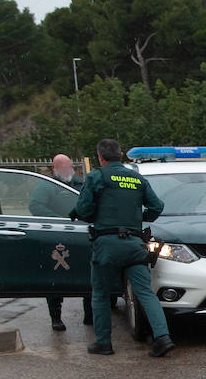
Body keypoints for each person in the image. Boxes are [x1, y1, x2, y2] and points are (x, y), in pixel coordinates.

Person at [71, 139, 175, 357]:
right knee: (145, 292)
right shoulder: (137, 178)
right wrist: (139, 217)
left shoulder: (97, 176)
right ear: (121, 155)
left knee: (100, 293)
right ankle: (163, 338)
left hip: (106, 245)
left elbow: (83, 209)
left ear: (100, 157)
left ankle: (104, 343)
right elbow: (157, 206)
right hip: (134, 244)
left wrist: (97, 215)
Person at [30, 154, 93, 331]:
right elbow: (36, 207)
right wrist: (60, 220)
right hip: (56, 235)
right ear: (54, 168)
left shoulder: (81, 184)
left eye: (70, 166)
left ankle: (90, 315)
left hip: (81, 235)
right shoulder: (46, 185)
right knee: (55, 279)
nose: (68, 170)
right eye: (64, 167)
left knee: (88, 275)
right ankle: (56, 318)